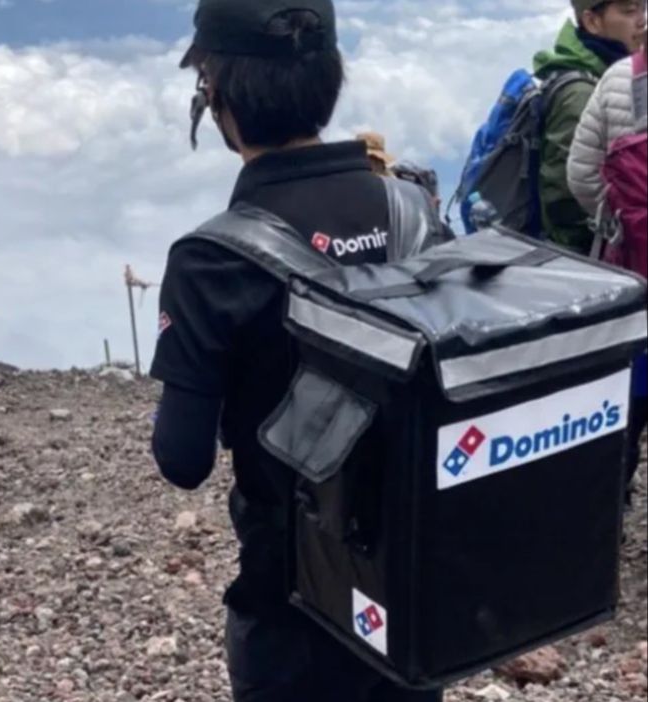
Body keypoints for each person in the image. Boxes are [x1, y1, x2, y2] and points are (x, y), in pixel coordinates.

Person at [149, 1, 443, 700]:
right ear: (330, 79)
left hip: (293, 603)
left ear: (212, 96)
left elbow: (181, 460)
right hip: (417, 588)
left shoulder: (210, 262)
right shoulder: (413, 211)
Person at [568, 31, 648, 503]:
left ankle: (608, 513)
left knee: (624, 415)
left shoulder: (621, 77)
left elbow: (579, 174)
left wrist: (622, 226)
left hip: (631, 286)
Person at [535, 0, 645, 254]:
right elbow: (567, 198)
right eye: (629, 11)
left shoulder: (613, 75)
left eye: (643, 9)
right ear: (592, 21)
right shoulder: (580, 94)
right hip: (583, 264)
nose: (641, 20)